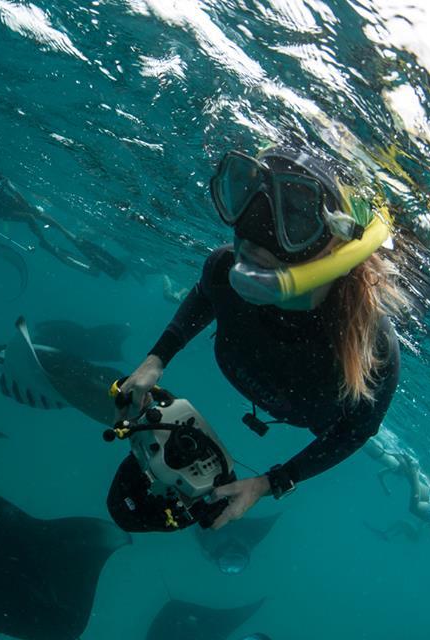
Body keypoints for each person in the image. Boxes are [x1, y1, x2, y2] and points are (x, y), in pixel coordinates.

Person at [110, 145, 409, 532]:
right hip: (277, 391)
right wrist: (156, 360)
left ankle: (405, 462)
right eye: (246, 194)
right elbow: (206, 292)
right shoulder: (222, 268)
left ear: (338, 243)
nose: (253, 228)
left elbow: (356, 431)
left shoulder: (375, 346)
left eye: (296, 214)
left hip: (313, 417)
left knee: (379, 442)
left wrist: (270, 483)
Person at [0, 168, 125, 279]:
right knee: (30, 218)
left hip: (12, 203)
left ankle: (66, 232)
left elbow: (15, 192)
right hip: (4, 213)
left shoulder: (2, 180)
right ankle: (44, 241)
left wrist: (28, 205)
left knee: (37, 213)